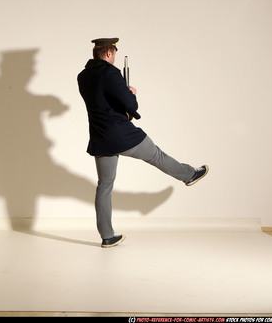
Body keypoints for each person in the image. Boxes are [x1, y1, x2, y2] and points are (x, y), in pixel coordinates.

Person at [77, 37, 208, 248]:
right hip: (121, 134)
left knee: (104, 186)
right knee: (156, 155)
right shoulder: (111, 73)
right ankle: (189, 175)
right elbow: (129, 103)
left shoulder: (82, 77)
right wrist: (131, 94)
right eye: (114, 54)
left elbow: (102, 103)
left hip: (101, 137)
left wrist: (122, 101)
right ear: (109, 53)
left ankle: (107, 236)